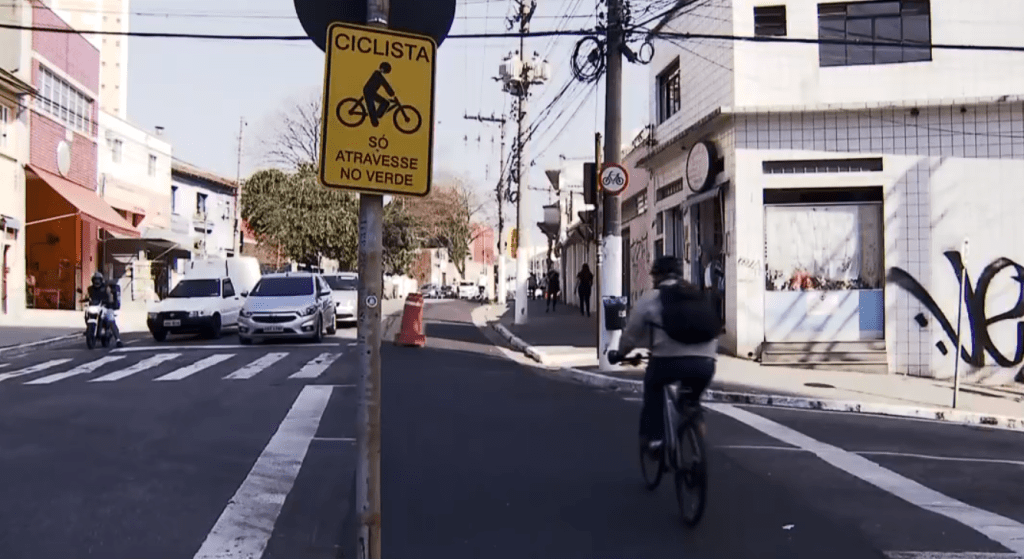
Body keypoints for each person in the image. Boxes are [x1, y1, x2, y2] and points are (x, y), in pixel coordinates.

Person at [608, 256, 720, 453]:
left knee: (653, 387)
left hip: (668, 362)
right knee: (690, 400)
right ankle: (696, 425)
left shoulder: (651, 298)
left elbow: (631, 334)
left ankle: (656, 439)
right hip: (706, 363)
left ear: (657, 276)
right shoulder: (696, 294)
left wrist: (620, 353)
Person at [86, 271, 123, 347]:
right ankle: (90, 330)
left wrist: (110, 301)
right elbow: (88, 296)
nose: (96, 281)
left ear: (101, 280)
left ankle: (118, 340)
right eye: (95, 279)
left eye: (98, 279)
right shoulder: (90, 288)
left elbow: (110, 296)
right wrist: (85, 299)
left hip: (106, 306)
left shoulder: (106, 288)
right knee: (87, 314)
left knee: (110, 319)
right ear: (92, 280)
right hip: (95, 306)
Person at [363, 62, 396, 127]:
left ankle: (378, 114)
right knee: (371, 106)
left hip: (372, 92)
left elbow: (385, 84)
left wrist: (391, 93)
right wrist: (391, 93)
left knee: (386, 102)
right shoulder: (377, 74)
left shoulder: (379, 75)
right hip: (368, 91)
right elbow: (385, 84)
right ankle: (374, 120)